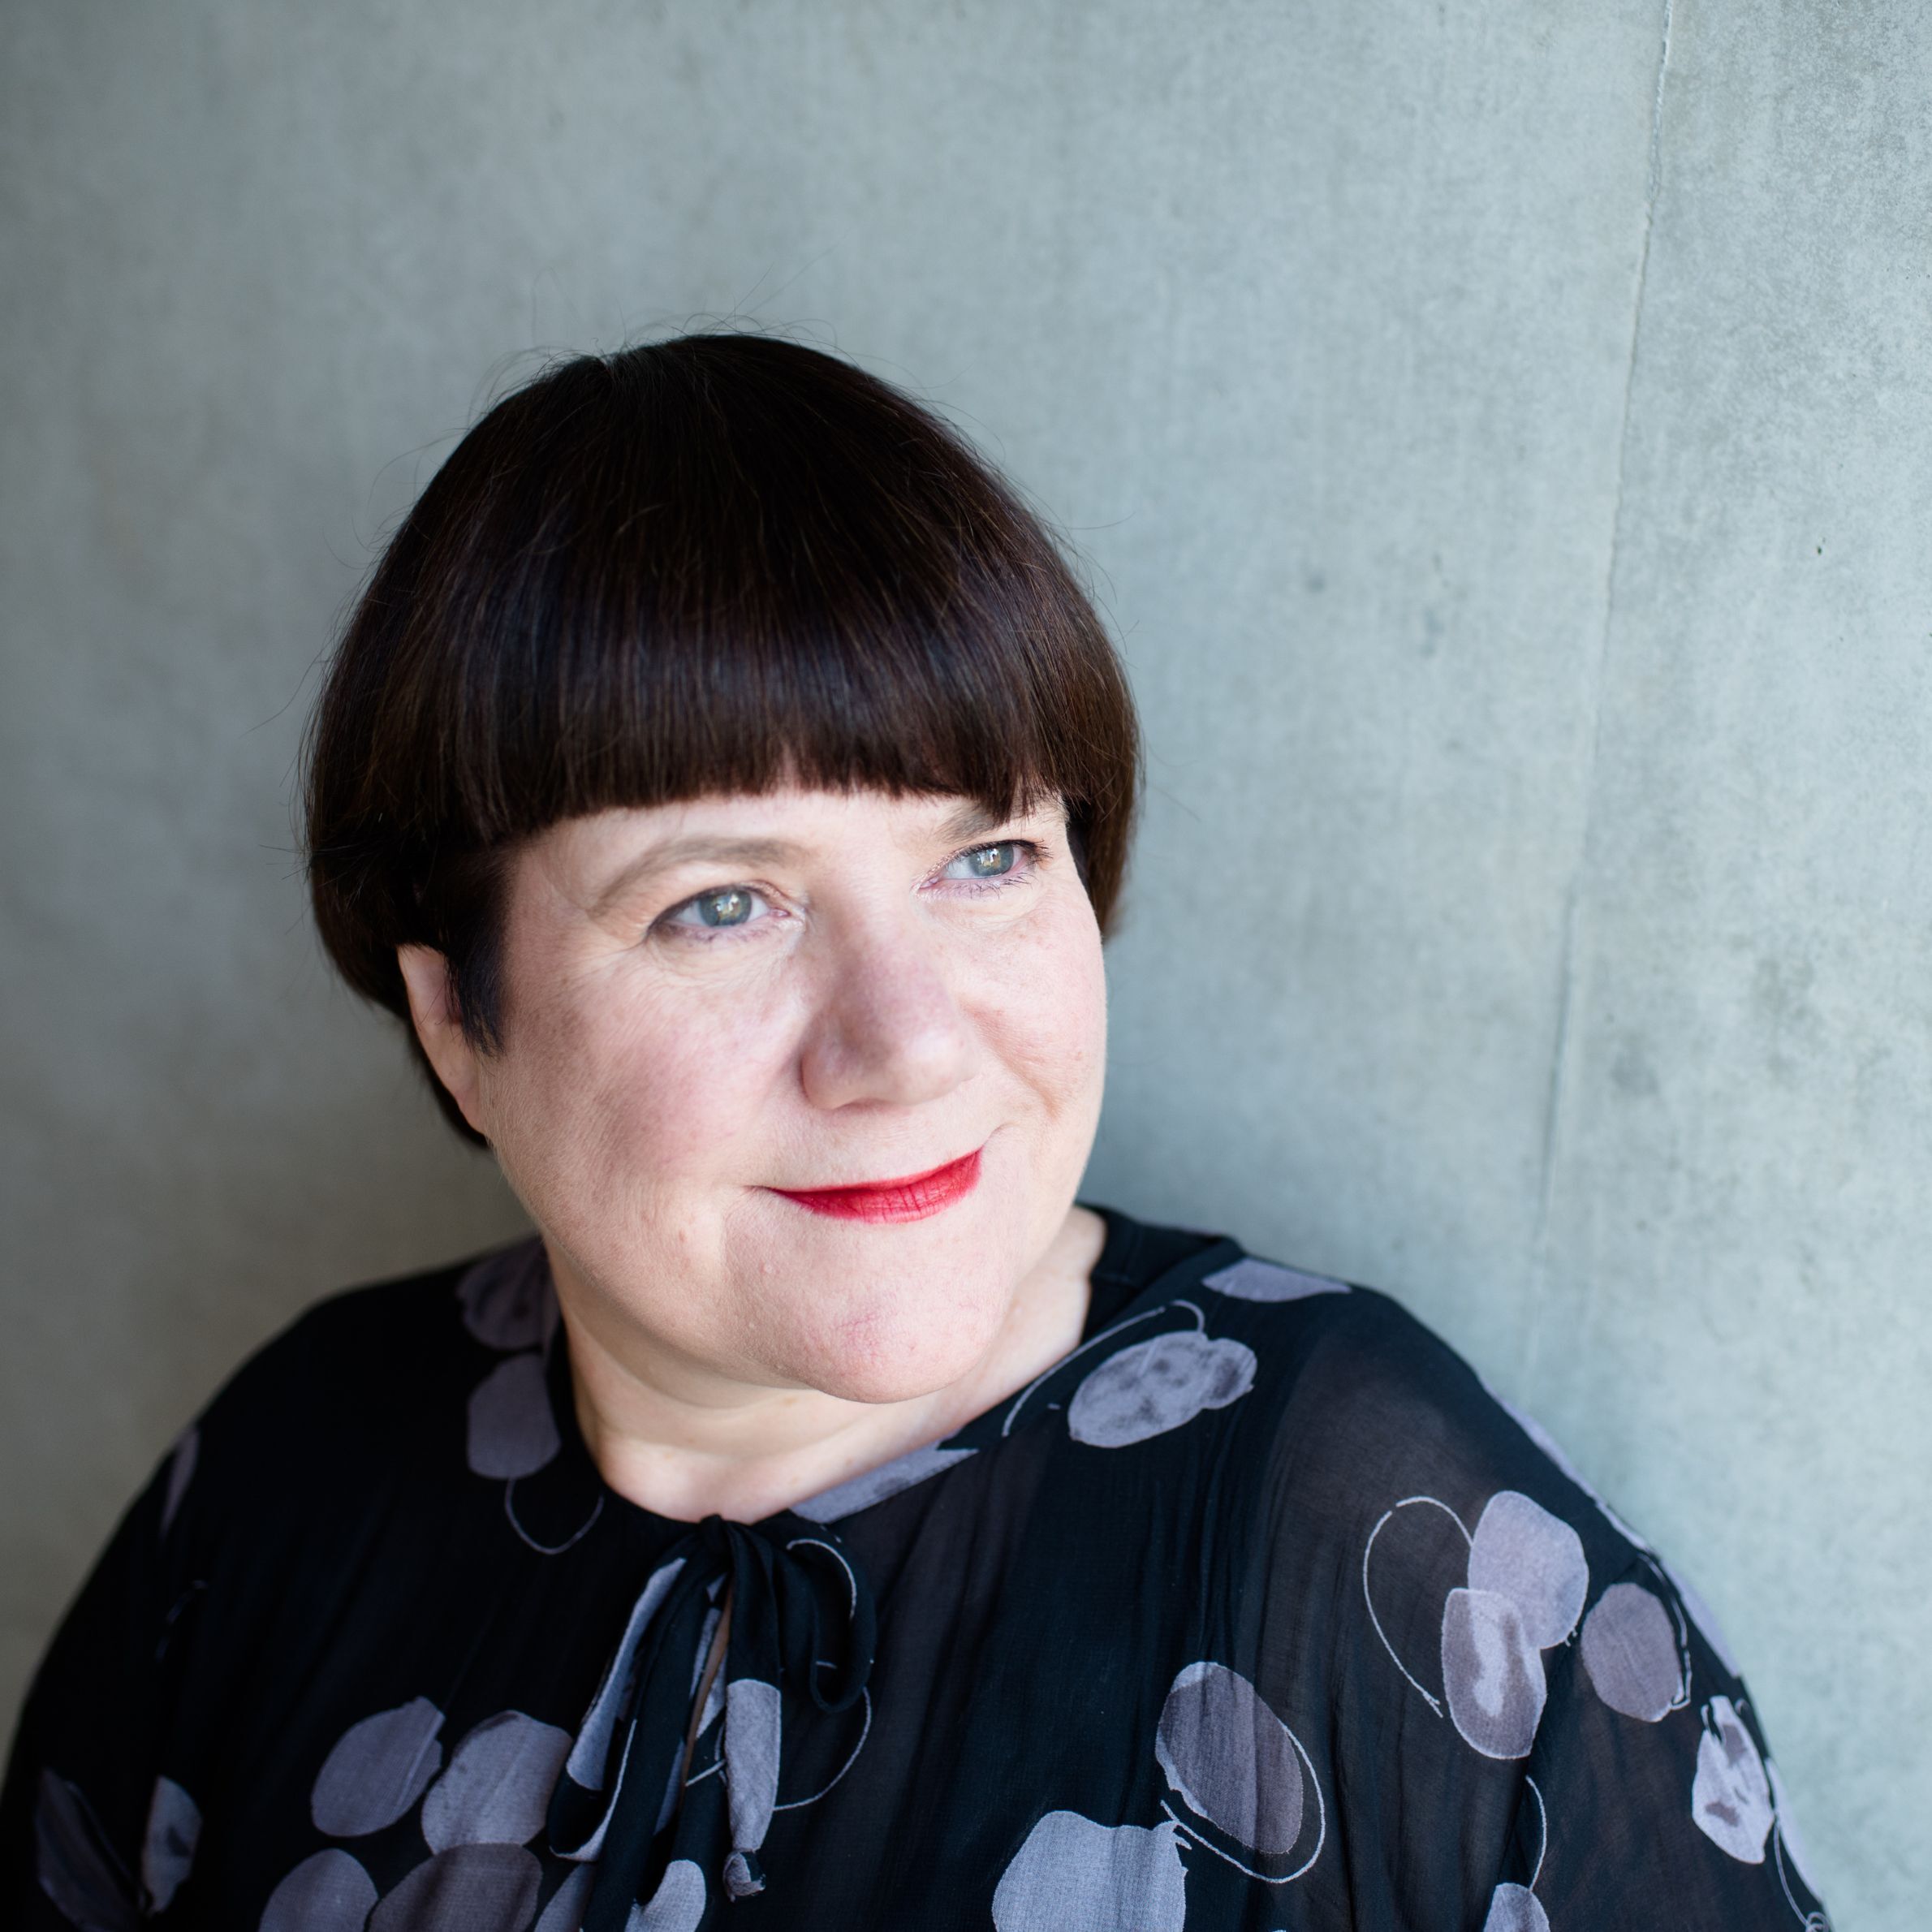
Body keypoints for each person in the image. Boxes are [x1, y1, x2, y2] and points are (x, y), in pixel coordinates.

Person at [0, 335, 1830, 1932]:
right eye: (721, 903)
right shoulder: (285, 1476)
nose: (907, 1043)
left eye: (987, 856)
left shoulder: (1391, 1552)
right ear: (455, 1024)